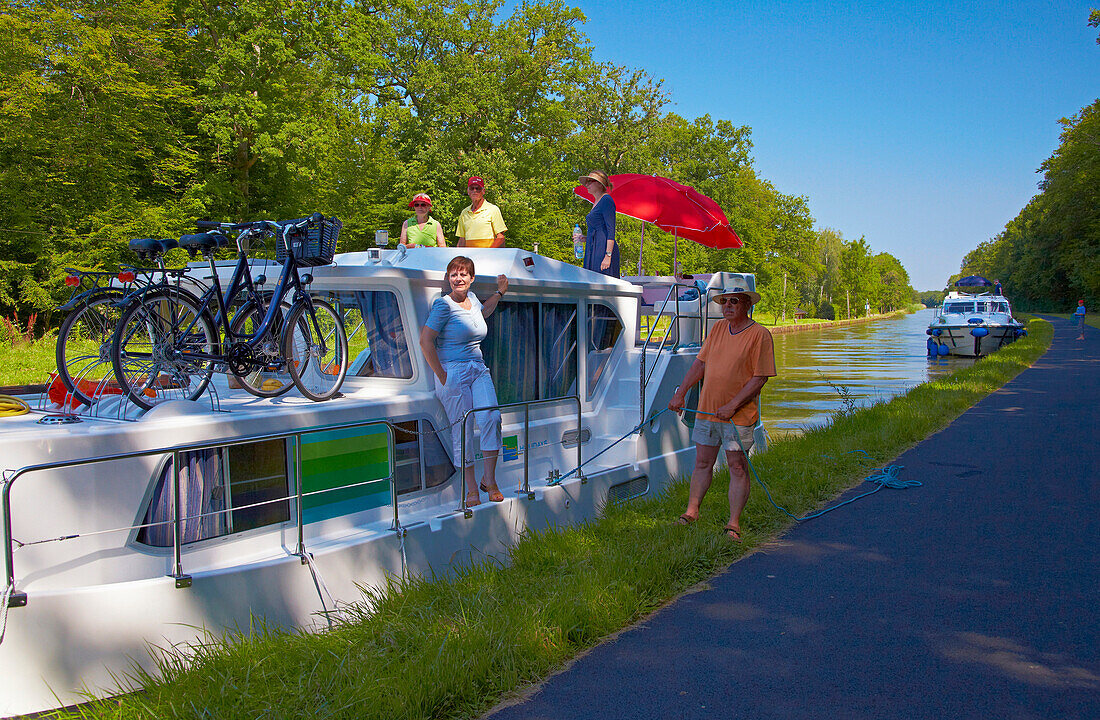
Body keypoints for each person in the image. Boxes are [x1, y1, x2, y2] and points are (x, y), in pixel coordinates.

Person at [668, 279, 776, 541]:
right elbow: (700, 364)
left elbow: (760, 378)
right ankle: (691, 512)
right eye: (724, 301)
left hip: (738, 417)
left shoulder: (760, 335)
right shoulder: (717, 329)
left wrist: (732, 405)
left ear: (747, 305)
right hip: (707, 411)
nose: (727, 305)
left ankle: (733, 524)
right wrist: (681, 393)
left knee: (737, 467)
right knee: (702, 462)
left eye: (734, 301)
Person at [420, 256, 510, 506]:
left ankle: (489, 480)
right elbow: (425, 341)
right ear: (448, 278)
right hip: (453, 372)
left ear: (472, 278)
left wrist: (500, 292)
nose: (458, 279)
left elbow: (485, 311)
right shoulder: (443, 306)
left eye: (463, 274)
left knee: (491, 417)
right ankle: (471, 488)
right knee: (463, 429)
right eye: (453, 275)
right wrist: (442, 376)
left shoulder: (472, 300)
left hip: (478, 369)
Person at [579, 170, 618, 277]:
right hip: (593, 248)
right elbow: (599, 229)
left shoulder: (606, 200)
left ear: (600, 184)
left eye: (590, 181)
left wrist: (608, 256)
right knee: (591, 281)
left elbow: (610, 230)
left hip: (603, 250)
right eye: (586, 182)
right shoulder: (596, 202)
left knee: (602, 282)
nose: (587, 184)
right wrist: (585, 238)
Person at [456, 176, 507, 248]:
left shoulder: (493, 209)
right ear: (468, 191)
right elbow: (462, 239)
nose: (474, 191)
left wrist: (489, 252)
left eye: (478, 188)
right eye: (472, 188)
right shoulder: (464, 213)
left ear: (483, 191)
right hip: (469, 257)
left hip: (487, 256)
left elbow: (500, 237)